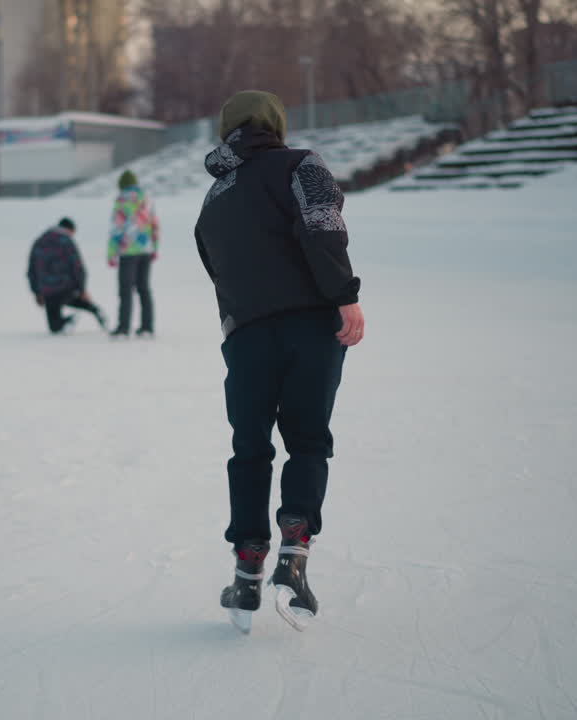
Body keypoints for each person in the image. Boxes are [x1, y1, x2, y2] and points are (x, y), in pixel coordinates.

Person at [195, 90, 365, 633]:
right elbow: (322, 228)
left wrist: (237, 329)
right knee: (308, 441)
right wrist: (345, 294)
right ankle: (293, 552)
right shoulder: (300, 164)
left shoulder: (214, 197)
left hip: (245, 338)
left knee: (250, 449)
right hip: (311, 327)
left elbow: (217, 273)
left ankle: (247, 568)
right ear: (276, 122)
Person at [27, 217, 107, 334]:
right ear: (69, 230)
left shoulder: (39, 241)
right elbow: (77, 267)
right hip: (65, 286)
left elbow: (31, 270)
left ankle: (69, 320)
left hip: (47, 290)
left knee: (55, 326)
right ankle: (92, 310)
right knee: (70, 298)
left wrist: (37, 292)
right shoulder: (66, 241)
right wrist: (82, 289)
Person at [108, 170, 160, 338]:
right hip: (145, 250)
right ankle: (147, 327)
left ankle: (124, 328)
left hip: (127, 251)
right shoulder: (146, 200)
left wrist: (111, 253)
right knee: (144, 288)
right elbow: (155, 225)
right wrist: (155, 248)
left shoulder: (121, 201)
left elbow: (116, 229)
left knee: (125, 290)